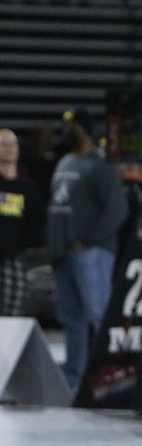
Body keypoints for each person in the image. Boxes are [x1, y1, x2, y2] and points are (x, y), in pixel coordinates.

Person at [45, 107, 129, 389]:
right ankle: (74, 379)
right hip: (63, 252)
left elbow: (117, 209)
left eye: (72, 126)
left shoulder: (101, 165)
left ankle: (108, 374)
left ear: (84, 130)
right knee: (72, 319)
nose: (66, 130)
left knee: (98, 315)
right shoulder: (65, 162)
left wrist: (91, 240)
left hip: (91, 253)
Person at [0, 129, 47, 316]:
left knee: (11, 315)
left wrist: (17, 247)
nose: (9, 148)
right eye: (4, 144)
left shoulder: (28, 188)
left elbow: (37, 225)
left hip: (15, 261)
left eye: (13, 144)